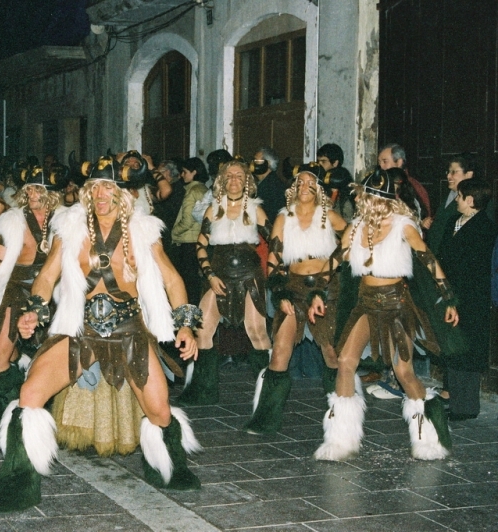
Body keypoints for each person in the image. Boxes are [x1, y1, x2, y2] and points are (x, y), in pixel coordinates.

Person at [0, 156, 202, 513]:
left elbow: (173, 279)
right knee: (30, 394)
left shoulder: (142, 231)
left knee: (160, 412)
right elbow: (47, 275)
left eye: (109, 187)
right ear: (86, 192)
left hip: (129, 330)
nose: (101, 194)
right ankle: (17, 482)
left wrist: (186, 325)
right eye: (94, 187)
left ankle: (168, 465)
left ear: (123, 194)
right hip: (80, 329)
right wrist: (33, 310)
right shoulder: (69, 228)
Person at [314, 167, 457, 462]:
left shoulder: (403, 225)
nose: (376, 204)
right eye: (370, 198)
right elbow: (335, 259)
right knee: (345, 362)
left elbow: (428, 259)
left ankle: (428, 434)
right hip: (365, 303)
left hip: (396, 305)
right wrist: (317, 291)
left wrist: (448, 297)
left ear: (390, 198)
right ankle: (341, 439)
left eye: (381, 198)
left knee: (404, 372)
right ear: (363, 198)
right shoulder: (356, 227)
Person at [245, 163, 347, 433]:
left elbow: (351, 239)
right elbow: (275, 259)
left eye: (309, 182)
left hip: (325, 287)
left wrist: (334, 266)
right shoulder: (283, 217)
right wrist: (279, 293)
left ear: (318, 188)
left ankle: (343, 416)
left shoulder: (329, 215)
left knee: (330, 351)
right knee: (280, 350)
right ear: (293, 188)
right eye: (299, 183)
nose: (304, 187)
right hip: (294, 287)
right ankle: (266, 418)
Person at [0, 166, 65, 425]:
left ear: (51, 193)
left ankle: (46, 399)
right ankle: (1, 405)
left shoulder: (67, 220)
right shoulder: (13, 220)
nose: (32, 193)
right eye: (29, 188)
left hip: (55, 290)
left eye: (38, 188)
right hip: (16, 287)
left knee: (54, 350)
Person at [179, 158, 272, 406]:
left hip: (249, 276)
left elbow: (276, 242)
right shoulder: (214, 209)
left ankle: (268, 395)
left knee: (257, 332)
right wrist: (209, 275)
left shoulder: (256, 209)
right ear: (221, 181)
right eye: (229, 176)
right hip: (217, 275)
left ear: (247, 181)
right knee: (203, 331)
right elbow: (200, 246)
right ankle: (204, 391)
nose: (234, 180)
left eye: (239, 176)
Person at [437, 179, 497, 420]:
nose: (457, 200)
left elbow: (475, 269)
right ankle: (456, 401)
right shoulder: (455, 221)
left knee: (468, 351)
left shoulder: (485, 228)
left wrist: (458, 298)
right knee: (452, 348)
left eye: (460, 196)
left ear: (471, 200)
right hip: (452, 294)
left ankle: (467, 407)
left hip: (471, 299)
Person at [170, 157, 209, 305]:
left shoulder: (192, 191)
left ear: (194, 172)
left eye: (185, 172)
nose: (182, 175)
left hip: (187, 242)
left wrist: (173, 234)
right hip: (198, 240)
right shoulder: (203, 189)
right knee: (194, 283)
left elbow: (187, 220)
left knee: (187, 284)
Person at [378, 143, 432, 223]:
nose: (381, 166)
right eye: (379, 162)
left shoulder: (414, 185)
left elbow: (426, 216)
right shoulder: (378, 183)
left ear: (399, 162)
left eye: (385, 162)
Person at [251, 147, 285, 223]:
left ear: (268, 163)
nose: (252, 164)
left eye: (256, 160)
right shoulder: (265, 183)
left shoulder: (274, 186)